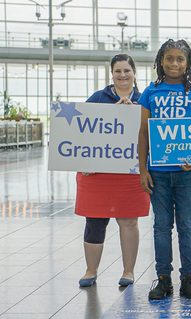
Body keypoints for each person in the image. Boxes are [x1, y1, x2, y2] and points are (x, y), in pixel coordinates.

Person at [138, 39, 191, 300]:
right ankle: (163, 279)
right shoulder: (150, 92)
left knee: (187, 227)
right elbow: (144, 133)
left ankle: (188, 279)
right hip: (158, 171)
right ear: (161, 61)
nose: (175, 63)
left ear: (188, 63)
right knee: (161, 226)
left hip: (188, 173)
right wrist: (142, 169)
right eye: (170, 58)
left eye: (180, 59)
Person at [75, 53, 150, 288]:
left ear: (134, 73)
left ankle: (128, 271)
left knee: (128, 221)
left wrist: (132, 113)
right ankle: (91, 270)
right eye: (118, 71)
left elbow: (151, 132)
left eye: (127, 70)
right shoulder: (99, 97)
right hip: (98, 173)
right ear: (112, 74)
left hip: (130, 172)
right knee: (95, 220)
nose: (122, 75)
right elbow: (80, 129)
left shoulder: (144, 99)